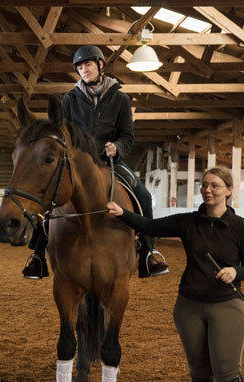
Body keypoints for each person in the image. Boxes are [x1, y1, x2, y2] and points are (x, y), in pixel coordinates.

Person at [106, 166, 244, 382]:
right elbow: (149, 226)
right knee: (199, 372)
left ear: (228, 190)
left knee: (226, 371)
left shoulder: (241, 227)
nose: (208, 190)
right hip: (189, 306)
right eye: (204, 185)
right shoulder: (189, 222)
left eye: (215, 185)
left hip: (227, 305)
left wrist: (234, 270)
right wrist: (120, 212)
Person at [22, 45, 168, 280]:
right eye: (79, 67)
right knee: (49, 194)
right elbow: (63, 132)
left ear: (100, 65)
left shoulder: (120, 99)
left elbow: (127, 136)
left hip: (109, 160)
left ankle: (150, 252)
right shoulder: (69, 99)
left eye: (88, 64)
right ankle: (37, 254)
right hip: (77, 162)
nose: (84, 70)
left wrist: (117, 147)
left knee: (143, 195)